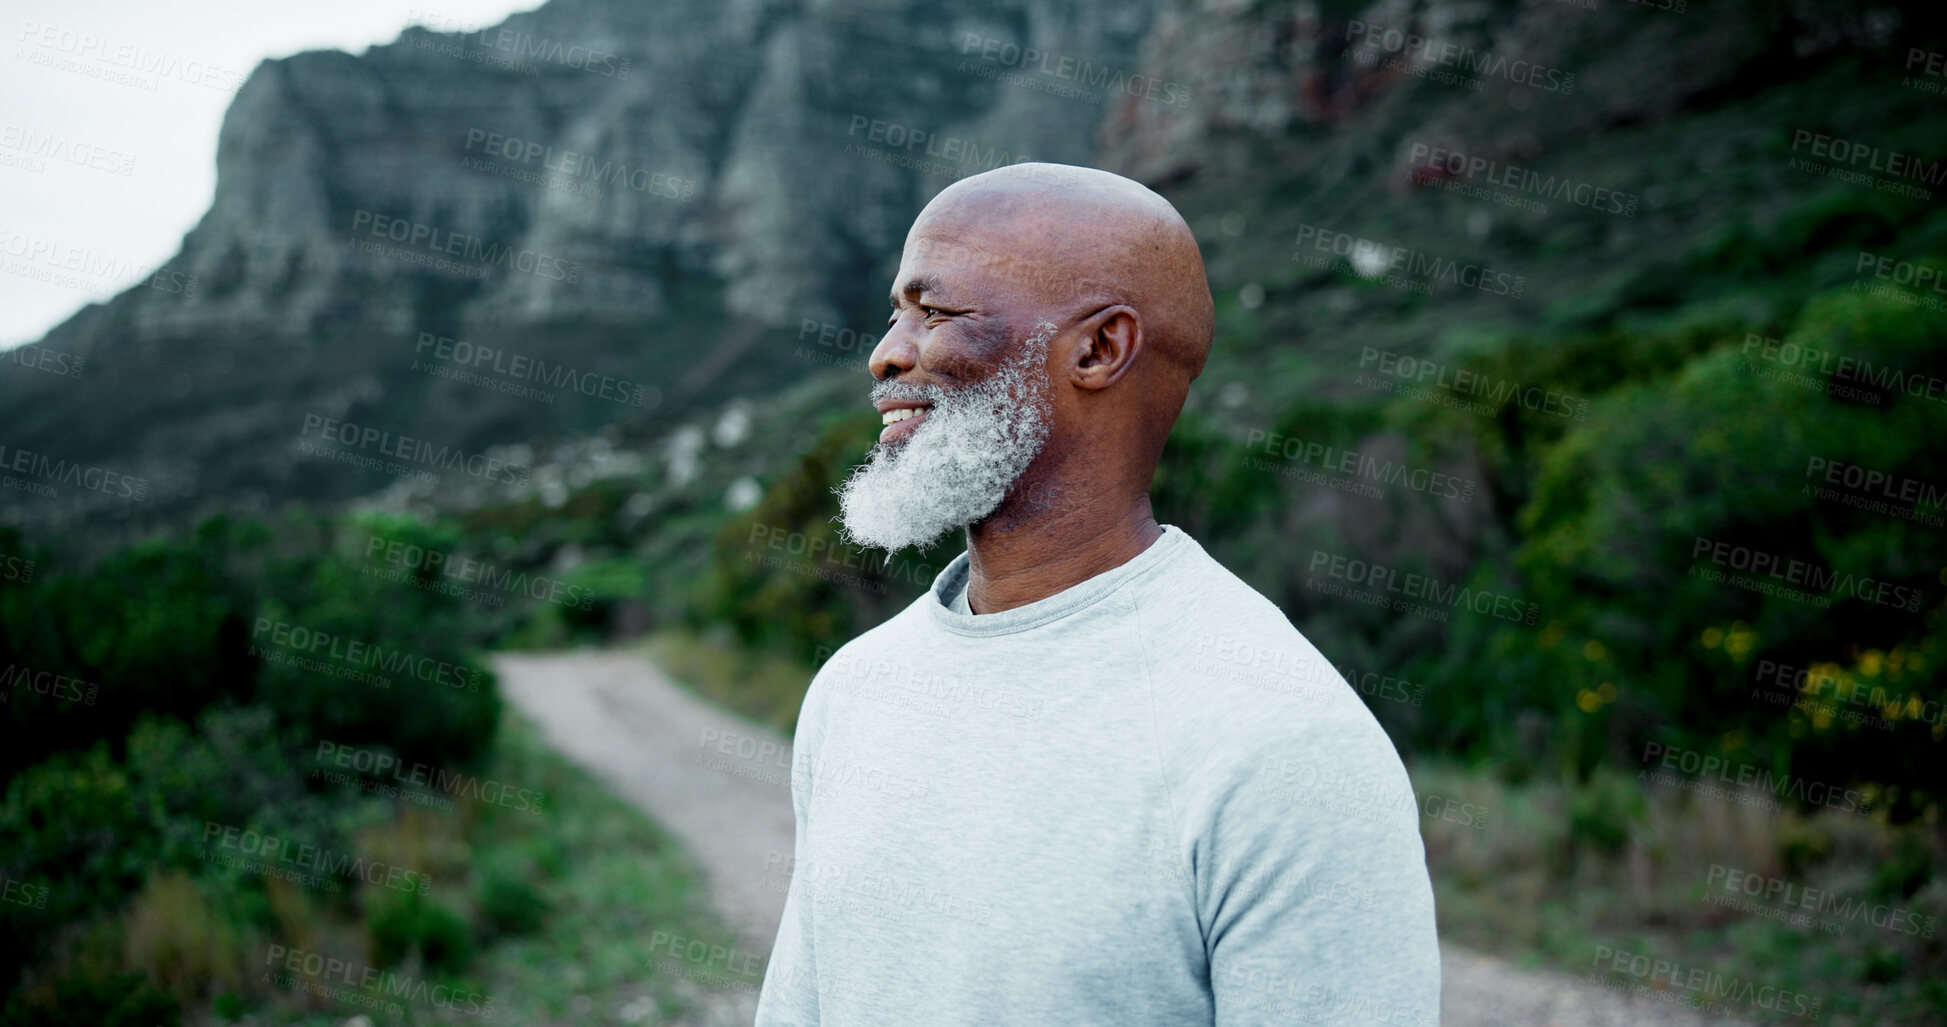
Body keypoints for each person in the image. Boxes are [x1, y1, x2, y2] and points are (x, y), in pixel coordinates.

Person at [754, 162, 1440, 1025]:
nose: (886, 351)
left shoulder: (1286, 743)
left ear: (1097, 349)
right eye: (896, 312)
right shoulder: (854, 688)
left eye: (935, 313)